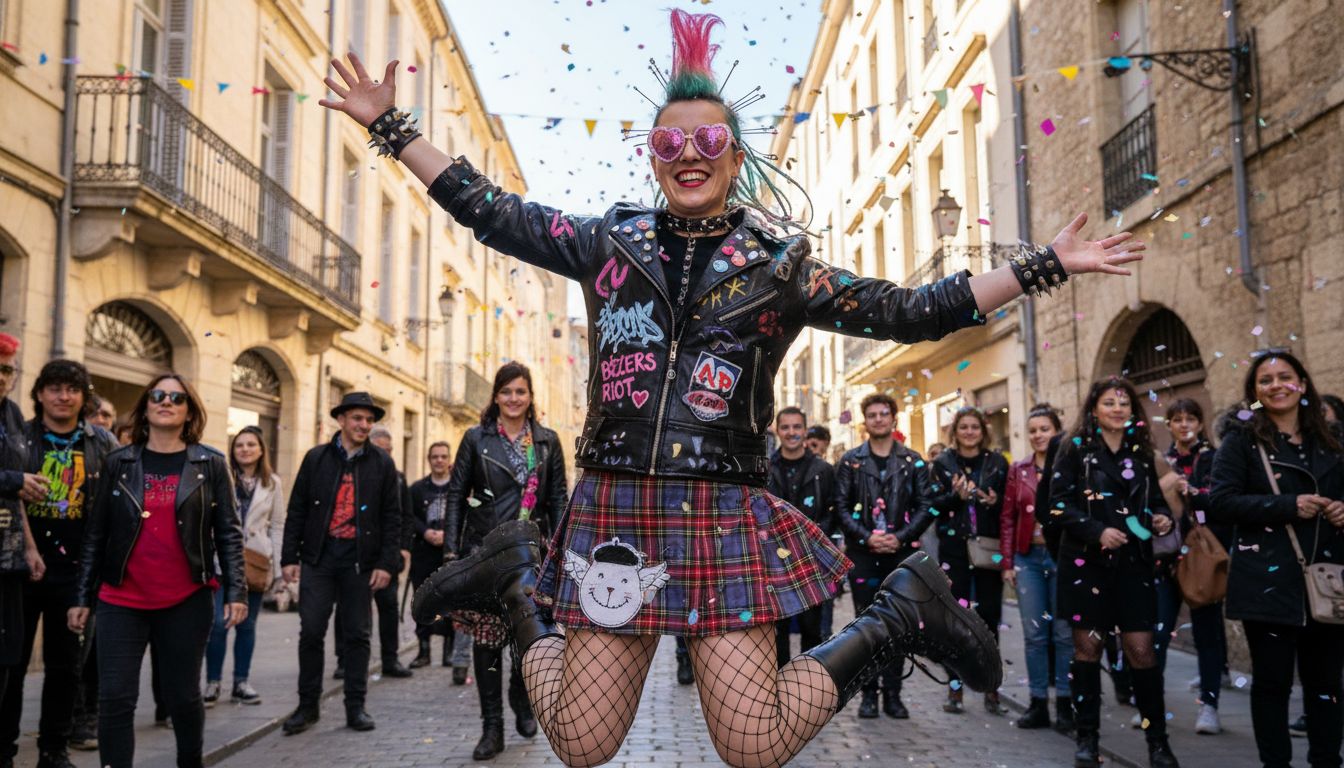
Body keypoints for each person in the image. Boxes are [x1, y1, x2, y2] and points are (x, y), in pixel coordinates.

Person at [328, 9, 1145, 764]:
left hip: (723, 509)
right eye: (669, 143)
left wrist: (1039, 265)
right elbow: (490, 209)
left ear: (735, 154)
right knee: (580, 741)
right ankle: (514, 586)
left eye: (710, 139)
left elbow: (909, 309)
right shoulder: (607, 239)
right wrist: (390, 127)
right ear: (652, 155)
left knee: (753, 742)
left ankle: (901, 611)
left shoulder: (780, 266)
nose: (689, 154)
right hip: (616, 501)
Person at [67, 373, 246, 768]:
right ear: (146, 406)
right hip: (121, 600)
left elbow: (228, 534)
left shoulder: (210, 464)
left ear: (188, 411)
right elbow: (96, 534)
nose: (167, 402)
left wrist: (237, 591)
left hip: (186, 599)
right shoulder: (119, 462)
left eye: (177, 398)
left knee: (182, 696)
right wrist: (82, 597)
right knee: (115, 699)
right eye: (158, 396)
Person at [1209, 350, 1344, 768]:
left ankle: (1327, 762)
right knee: (1273, 685)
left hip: (1326, 579)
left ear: (1302, 384)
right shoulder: (1242, 441)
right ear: (1254, 392)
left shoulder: (1332, 439)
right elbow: (1221, 502)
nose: (1276, 385)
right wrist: (1286, 505)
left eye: (1285, 377)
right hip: (1266, 580)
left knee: (1326, 686)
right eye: (1265, 380)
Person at [441, 362, 568, 760]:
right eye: (507, 392)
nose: (514, 399)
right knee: (487, 642)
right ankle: (491, 727)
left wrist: (561, 553)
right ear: (495, 396)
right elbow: (457, 496)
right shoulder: (475, 439)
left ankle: (522, 694)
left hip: (532, 557)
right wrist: (451, 551)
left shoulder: (547, 442)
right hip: (485, 554)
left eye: (521, 392)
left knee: (527, 637)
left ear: (531, 397)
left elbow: (559, 500)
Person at [1051, 377, 1179, 768]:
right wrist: (1096, 532)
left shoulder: (1141, 452)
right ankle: (1087, 738)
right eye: (1110, 403)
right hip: (1085, 566)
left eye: (1124, 403)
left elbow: (1156, 503)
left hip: (1134, 566)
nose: (1118, 409)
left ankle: (1158, 742)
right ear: (1095, 409)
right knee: (1087, 649)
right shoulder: (1073, 449)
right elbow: (1057, 505)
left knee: (1142, 650)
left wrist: (1162, 520)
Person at [1, 360, 118, 768]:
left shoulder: (103, 444)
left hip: (77, 573)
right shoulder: (20, 437)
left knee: (67, 667)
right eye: (54, 388)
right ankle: (6, 749)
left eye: (71, 389)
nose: (62, 396)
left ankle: (54, 750)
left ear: (84, 397)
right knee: (11, 664)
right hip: (21, 566)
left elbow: (119, 503)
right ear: (38, 394)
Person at [280, 392, 402, 735]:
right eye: (357, 419)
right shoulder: (316, 458)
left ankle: (355, 707)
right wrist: (289, 557)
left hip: (360, 562)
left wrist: (386, 563)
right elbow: (298, 509)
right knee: (311, 631)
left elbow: (393, 517)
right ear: (342, 420)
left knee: (358, 635)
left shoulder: (382, 463)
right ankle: (307, 707)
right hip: (319, 557)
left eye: (368, 419)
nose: (364, 425)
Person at [833, 393, 933, 720]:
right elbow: (842, 508)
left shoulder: (912, 461)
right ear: (866, 421)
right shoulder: (850, 461)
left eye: (884, 414)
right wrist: (866, 537)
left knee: (898, 626)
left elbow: (925, 506)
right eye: (872, 414)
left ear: (893, 419)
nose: (878, 419)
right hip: (864, 554)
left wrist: (900, 537)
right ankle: (868, 695)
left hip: (900, 554)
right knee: (866, 625)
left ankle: (893, 694)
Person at [929, 406, 1010, 715]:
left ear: (983, 430)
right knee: (955, 622)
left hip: (988, 549)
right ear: (955, 431)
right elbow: (932, 505)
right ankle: (955, 689)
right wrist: (955, 498)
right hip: (954, 550)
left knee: (989, 621)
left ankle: (991, 690)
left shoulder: (997, 462)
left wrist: (994, 501)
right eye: (964, 427)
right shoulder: (943, 463)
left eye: (975, 427)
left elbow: (1008, 506)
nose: (969, 432)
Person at [1000, 404, 1074, 732]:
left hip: (1063, 557)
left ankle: (1067, 704)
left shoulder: (1070, 466)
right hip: (1028, 559)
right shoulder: (1019, 469)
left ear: (1057, 431)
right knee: (1034, 634)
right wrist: (1008, 563)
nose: (1038, 435)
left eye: (1045, 429)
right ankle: (1038, 702)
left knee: (1063, 633)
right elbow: (1008, 518)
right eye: (1033, 430)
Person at [203, 426, 285, 707]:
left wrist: (277, 567)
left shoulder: (272, 483)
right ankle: (212, 683)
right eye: (239, 445)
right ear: (232, 450)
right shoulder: (221, 477)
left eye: (251, 444)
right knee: (216, 625)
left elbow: (277, 526)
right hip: (221, 561)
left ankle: (241, 682)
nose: (245, 449)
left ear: (261, 450)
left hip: (256, 562)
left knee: (247, 625)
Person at [1162, 399, 1227, 736]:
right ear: (1169, 424)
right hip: (1165, 557)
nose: (1184, 424)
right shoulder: (1163, 461)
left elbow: (1219, 503)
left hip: (1200, 556)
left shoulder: (1214, 459)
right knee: (1157, 631)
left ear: (1201, 424)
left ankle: (1210, 706)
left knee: (1207, 634)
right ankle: (1151, 707)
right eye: (1177, 419)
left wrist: (1195, 494)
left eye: (1190, 418)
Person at [332, 425, 415, 681]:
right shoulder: (353, 472)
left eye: (389, 450)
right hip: (356, 555)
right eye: (381, 449)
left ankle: (390, 658)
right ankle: (344, 660)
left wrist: (402, 549)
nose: (385, 455)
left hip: (386, 555)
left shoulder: (398, 477)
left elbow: (404, 517)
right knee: (348, 607)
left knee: (388, 606)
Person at [768, 407, 836, 670]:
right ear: (778, 430)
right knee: (778, 630)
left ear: (805, 430)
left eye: (797, 427)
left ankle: (809, 687)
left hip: (812, 561)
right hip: (775, 561)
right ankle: (780, 685)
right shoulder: (766, 469)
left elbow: (833, 510)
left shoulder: (824, 469)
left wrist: (813, 540)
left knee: (812, 628)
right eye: (786, 427)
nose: (792, 433)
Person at [0, 334, 46, 707]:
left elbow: (18, 497)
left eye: (6, 369)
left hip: (8, 555)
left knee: (8, 653)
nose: (0, 376)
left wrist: (30, 547)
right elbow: (16, 483)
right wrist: (16, 480)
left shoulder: (13, 414)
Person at [407, 441, 472, 678]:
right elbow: (410, 516)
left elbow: (467, 513)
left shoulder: (459, 488)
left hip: (450, 553)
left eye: (444, 456)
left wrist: (449, 535)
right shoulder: (417, 489)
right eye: (435, 457)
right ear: (429, 459)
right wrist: (425, 531)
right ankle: (423, 650)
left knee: (451, 602)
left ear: (449, 459)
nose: (439, 461)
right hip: (424, 553)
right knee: (422, 602)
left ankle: (449, 650)